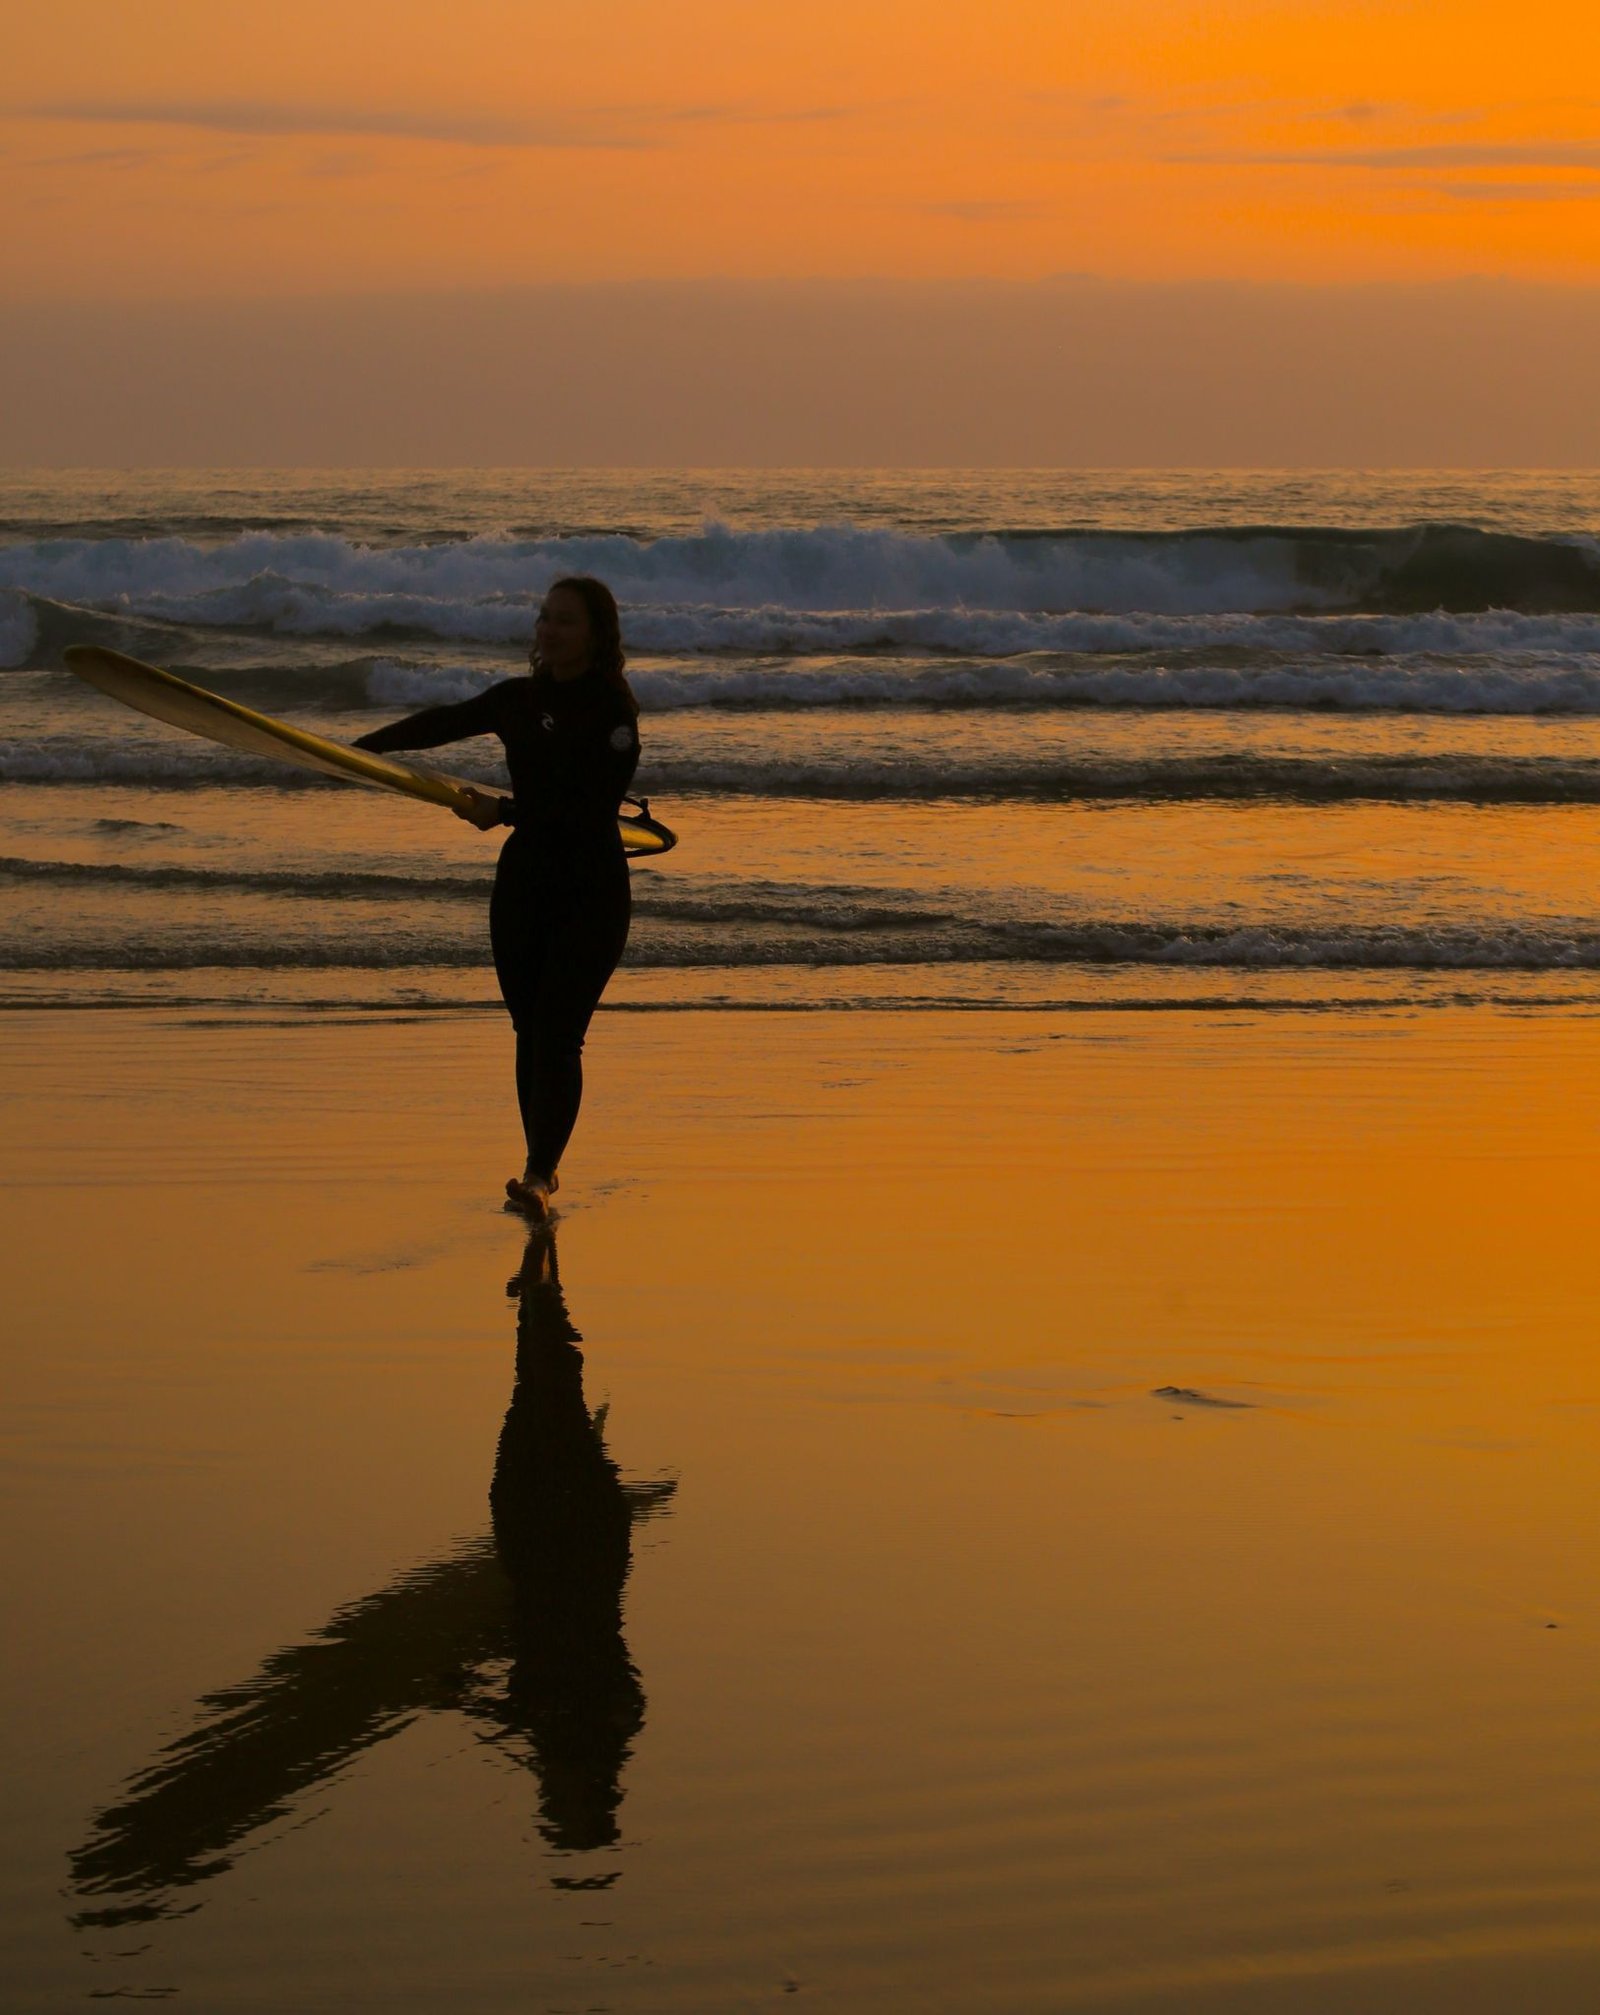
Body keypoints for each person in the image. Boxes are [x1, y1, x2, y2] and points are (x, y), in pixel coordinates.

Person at [355, 575, 639, 1217]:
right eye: (544, 617)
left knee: (559, 1033)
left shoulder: (613, 711)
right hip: (525, 884)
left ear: (596, 634)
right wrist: (358, 752)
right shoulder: (516, 699)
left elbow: (587, 807)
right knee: (527, 1028)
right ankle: (534, 1170)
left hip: (590, 884)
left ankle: (541, 1176)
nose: (548, 629)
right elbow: (445, 723)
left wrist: (501, 811)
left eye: (565, 620)